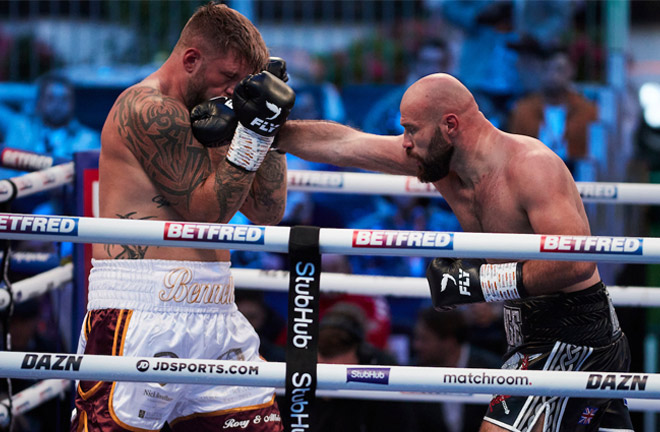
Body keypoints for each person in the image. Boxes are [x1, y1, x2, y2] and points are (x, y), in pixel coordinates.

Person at [269, 72, 633, 431]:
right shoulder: (440, 164)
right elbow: (345, 144)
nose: (405, 142)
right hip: (526, 331)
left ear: (450, 125)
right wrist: (268, 129)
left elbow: (578, 262)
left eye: (412, 130)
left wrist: (481, 283)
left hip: (572, 336)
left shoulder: (531, 166)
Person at [71, 3, 294, 432]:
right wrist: (251, 134)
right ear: (191, 59)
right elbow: (208, 213)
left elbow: (268, 211)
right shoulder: (144, 107)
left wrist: (268, 123)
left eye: (242, 84)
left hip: (217, 312)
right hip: (141, 311)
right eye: (228, 79)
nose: (234, 92)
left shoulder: (215, 111)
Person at [312, 303, 414, 432]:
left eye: (336, 353)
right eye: (323, 354)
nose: (327, 366)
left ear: (360, 354)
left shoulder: (383, 373)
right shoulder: (296, 371)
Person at [508, 42, 598, 178]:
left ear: (571, 71)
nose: (553, 75)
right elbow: (513, 155)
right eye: (547, 69)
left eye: (559, 69)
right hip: (531, 176)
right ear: (540, 71)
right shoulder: (522, 110)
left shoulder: (587, 110)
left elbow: (593, 157)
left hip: (573, 177)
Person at [410, 307, 502, 432]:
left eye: (424, 339)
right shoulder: (413, 375)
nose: (417, 345)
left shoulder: (493, 370)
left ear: (449, 342)